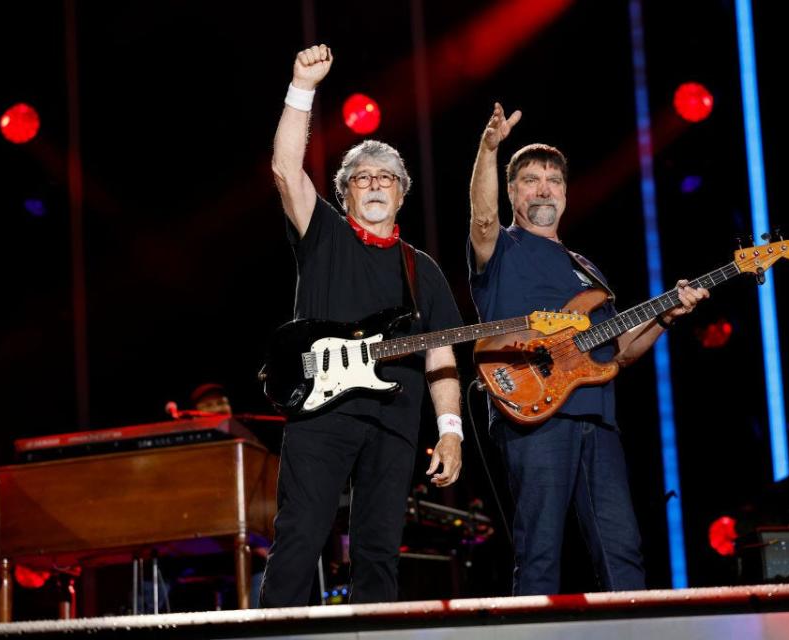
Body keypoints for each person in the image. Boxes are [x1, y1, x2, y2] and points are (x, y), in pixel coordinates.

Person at [467, 103, 709, 595]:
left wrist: (664, 317)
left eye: (553, 180)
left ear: (566, 194)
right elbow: (483, 218)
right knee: (539, 553)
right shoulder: (503, 250)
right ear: (513, 191)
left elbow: (618, 352)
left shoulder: (587, 270)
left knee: (622, 552)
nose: (543, 188)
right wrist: (489, 149)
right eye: (531, 180)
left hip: (598, 418)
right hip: (533, 412)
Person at [259, 44, 464, 607]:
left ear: (402, 193)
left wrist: (451, 430)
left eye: (387, 178)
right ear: (345, 191)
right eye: (362, 178)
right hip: (321, 413)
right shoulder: (323, 233)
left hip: (396, 421)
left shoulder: (423, 270)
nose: (375, 185)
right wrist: (302, 86)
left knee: (378, 549)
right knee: (300, 536)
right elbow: (284, 168)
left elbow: (442, 356)